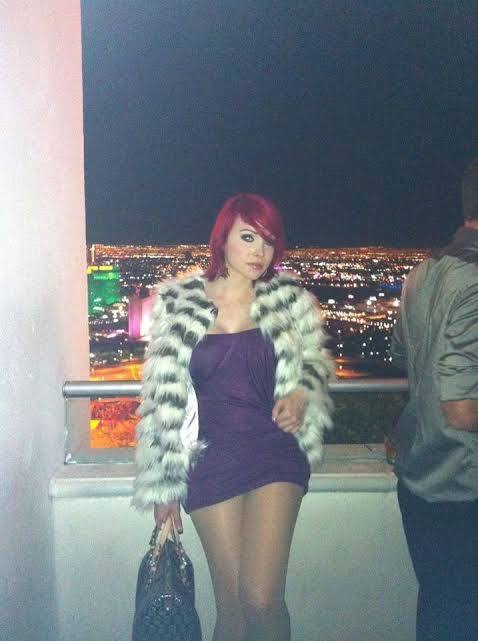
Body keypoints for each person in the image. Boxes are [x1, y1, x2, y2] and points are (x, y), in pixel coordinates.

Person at [133, 193, 333, 641]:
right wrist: (164, 486)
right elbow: (163, 398)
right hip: (211, 458)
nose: (260, 251)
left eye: (268, 240)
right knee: (232, 611)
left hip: (274, 449)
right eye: (248, 237)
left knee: (261, 599)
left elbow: (315, 365)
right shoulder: (180, 304)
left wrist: (301, 394)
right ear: (222, 238)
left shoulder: (289, 302)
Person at [390, 159, 478, 641]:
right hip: (464, 486)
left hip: (421, 478)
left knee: (441, 610)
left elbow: (403, 355)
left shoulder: (422, 273)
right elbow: (461, 409)